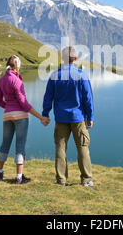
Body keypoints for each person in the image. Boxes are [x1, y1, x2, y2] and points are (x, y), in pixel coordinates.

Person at [42, 46, 94, 187]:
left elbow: (48, 97)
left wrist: (45, 114)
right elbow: (87, 98)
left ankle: (61, 180)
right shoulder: (82, 75)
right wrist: (90, 116)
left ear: (63, 58)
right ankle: (86, 179)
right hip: (78, 118)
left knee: (60, 148)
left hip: (61, 118)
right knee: (83, 147)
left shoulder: (54, 75)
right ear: (75, 58)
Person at [0, 55, 50, 184]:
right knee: (20, 145)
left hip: (7, 116)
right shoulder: (17, 81)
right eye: (19, 63)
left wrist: (8, 107)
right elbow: (24, 103)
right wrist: (41, 117)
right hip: (20, 116)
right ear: (16, 65)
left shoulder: (1, 80)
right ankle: (19, 177)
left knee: (5, 144)